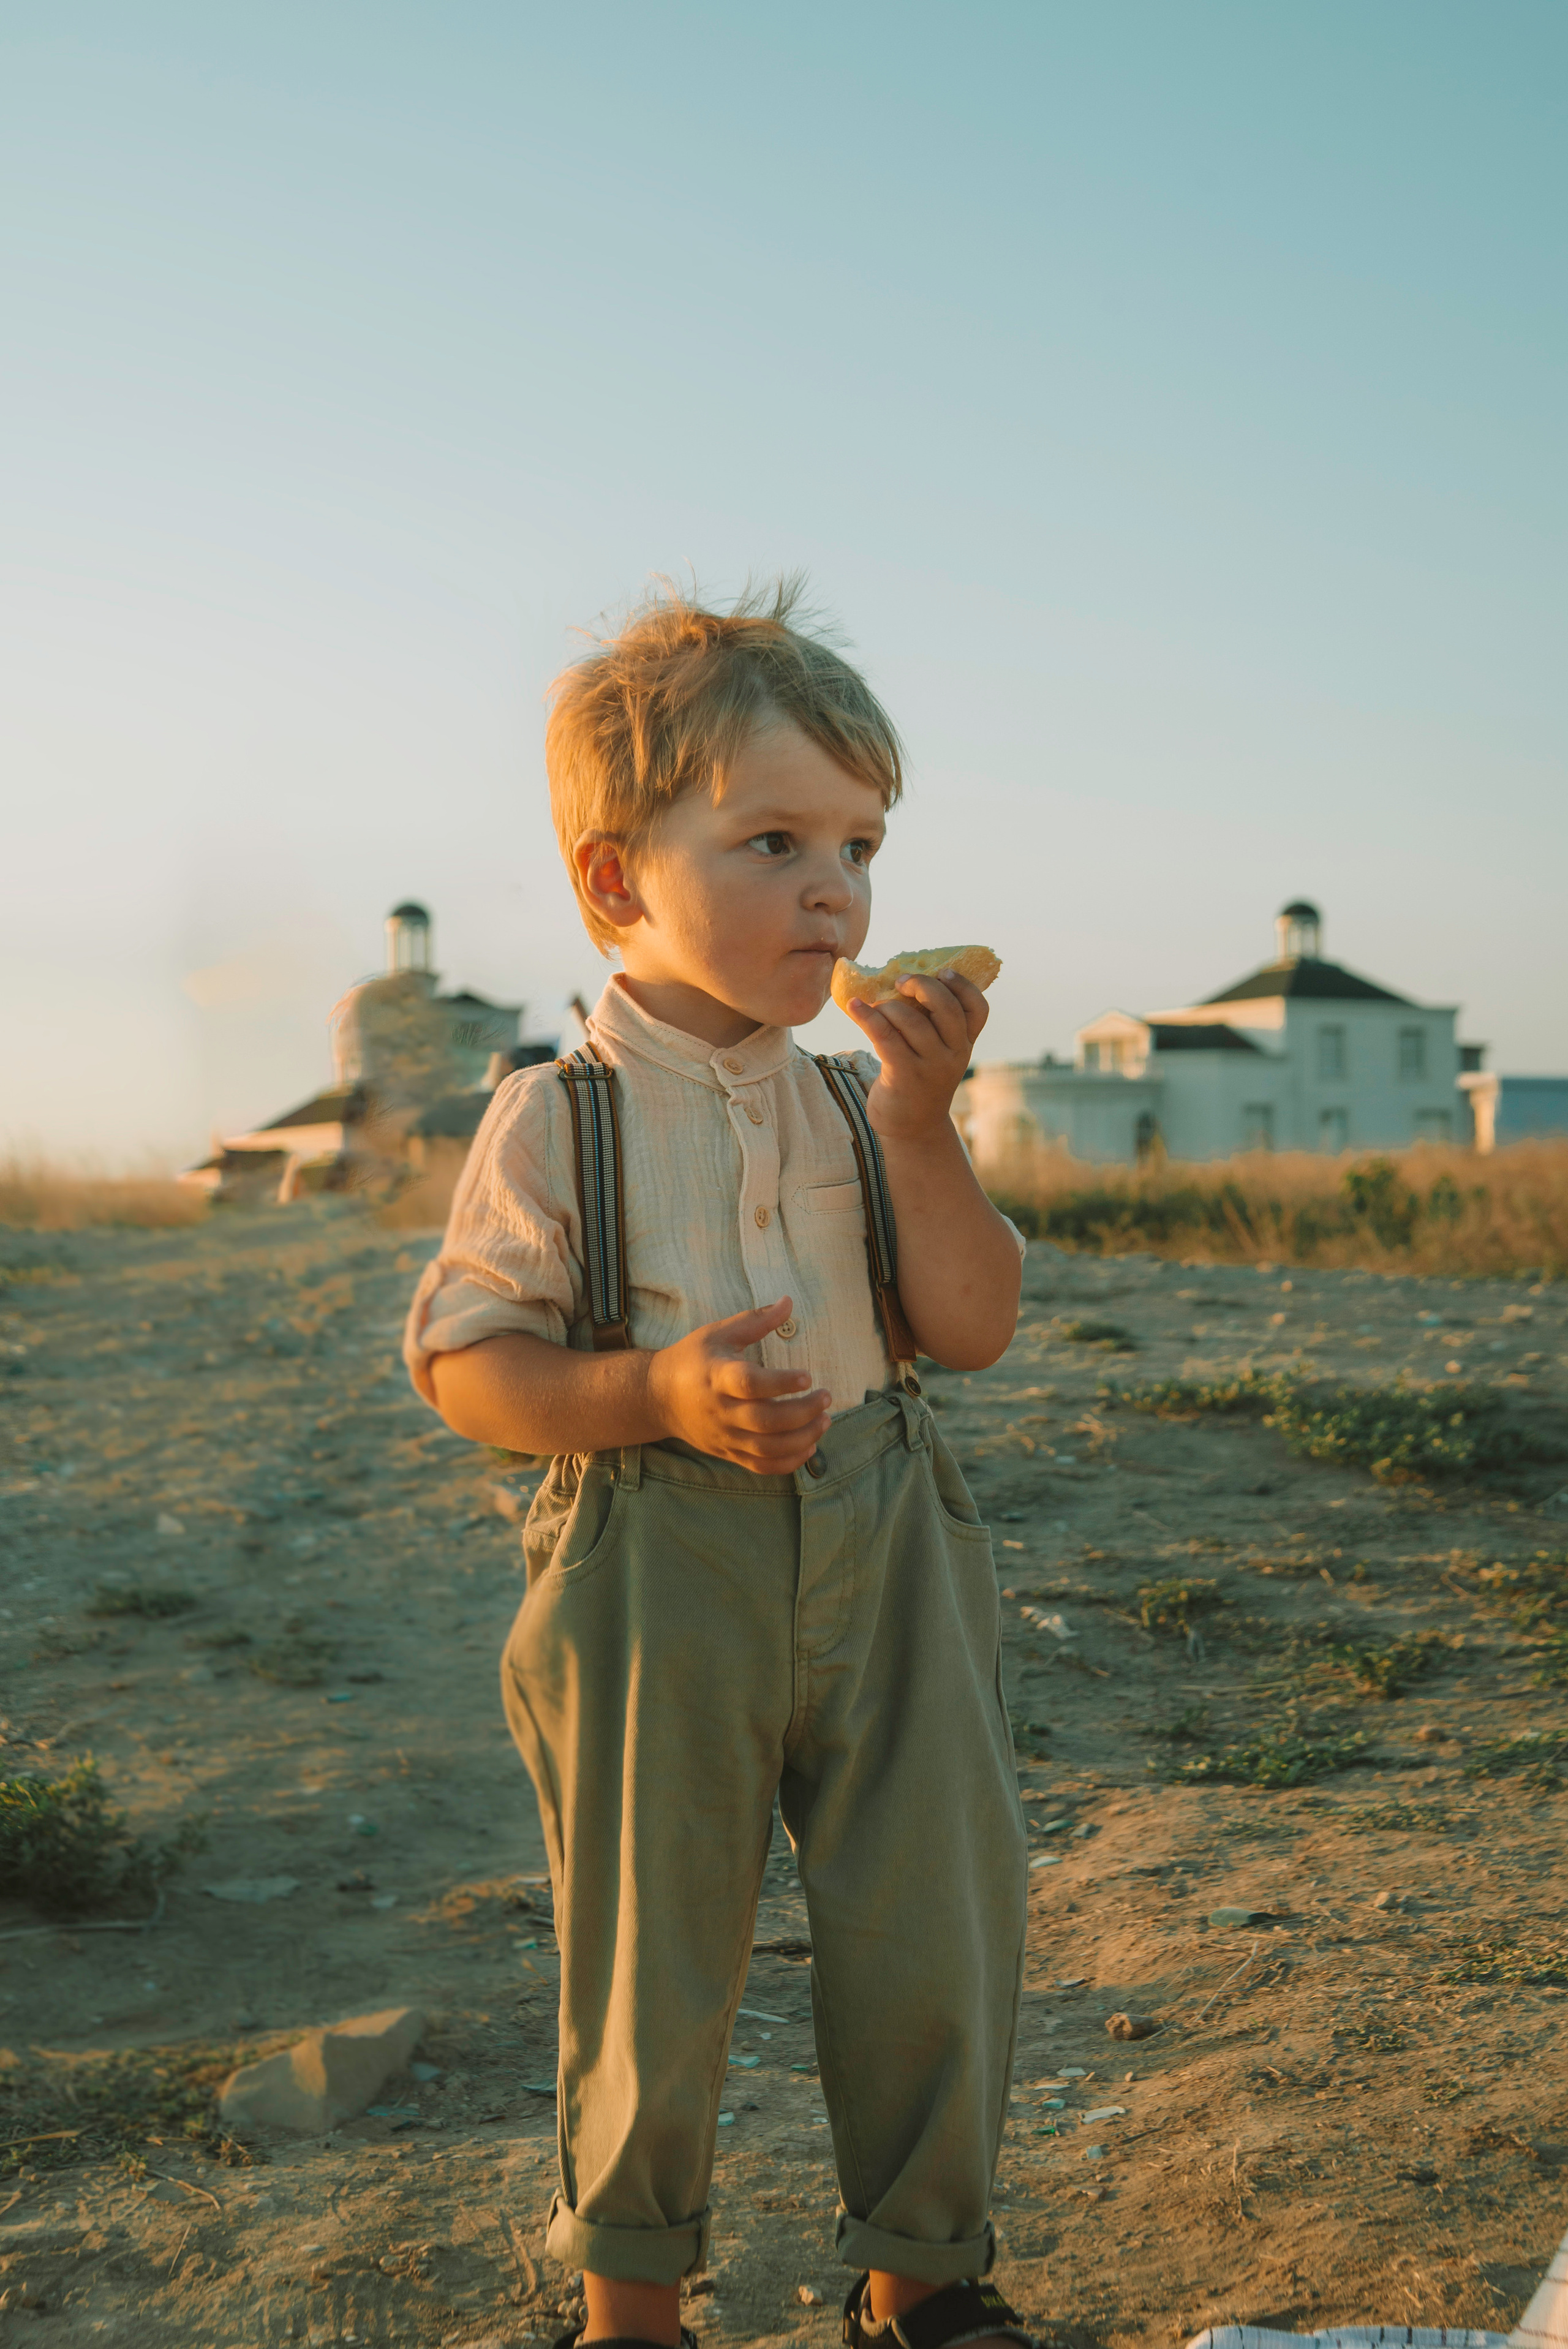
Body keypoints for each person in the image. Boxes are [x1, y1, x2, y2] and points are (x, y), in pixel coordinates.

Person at [404, 582, 1031, 2349]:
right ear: (617, 880)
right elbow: (465, 1361)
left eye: (860, 846)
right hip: (655, 1559)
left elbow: (972, 1324)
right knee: (647, 1939)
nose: (837, 894)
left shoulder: (859, 1103)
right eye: (775, 842)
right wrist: (652, 1392)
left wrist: (923, 1125)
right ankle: (632, 2305)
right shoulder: (559, 1116)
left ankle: (924, 2280)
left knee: (936, 1908)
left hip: (888, 1538)